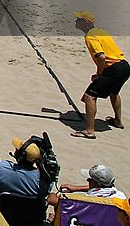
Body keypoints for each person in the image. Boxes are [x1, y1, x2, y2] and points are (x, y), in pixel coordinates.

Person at [72, 11, 130, 139]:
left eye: (79, 19)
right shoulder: (100, 31)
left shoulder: (90, 36)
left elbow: (101, 57)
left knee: (89, 96)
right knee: (114, 93)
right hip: (124, 66)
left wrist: (99, 74)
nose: (76, 21)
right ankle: (118, 121)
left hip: (113, 69)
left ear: (86, 23)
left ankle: (89, 131)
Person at [0, 137, 52, 224]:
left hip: (5, 215)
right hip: (30, 220)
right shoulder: (44, 180)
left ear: (20, 155)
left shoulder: (4, 169)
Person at [48, 164, 125, 206]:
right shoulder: (120, 196)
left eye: (89, 180)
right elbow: (100, 190)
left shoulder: (88, 201)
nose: (87, 180)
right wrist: (76, 188)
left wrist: (52, 194)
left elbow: (52, 201)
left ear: (97, 184)